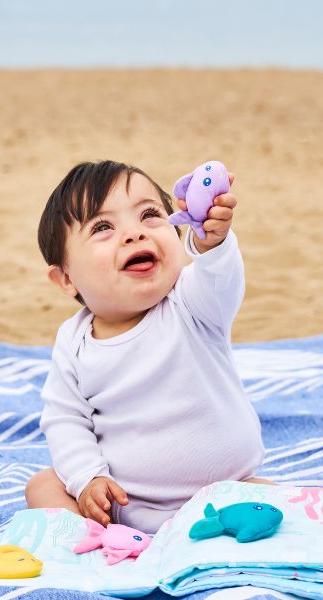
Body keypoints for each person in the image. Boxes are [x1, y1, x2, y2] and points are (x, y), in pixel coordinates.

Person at [25, 160, 266, 534]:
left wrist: (211, 244)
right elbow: (65, 421)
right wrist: (89, 480)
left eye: (150, 215)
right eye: (103, 227)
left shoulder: (192, 302)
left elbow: (220, 277)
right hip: (125, 506)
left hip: (225, 493)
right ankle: (101, 546)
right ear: (67, 278)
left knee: (274, 502)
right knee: (43, 486)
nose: (134, 234)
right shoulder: (73, 343)